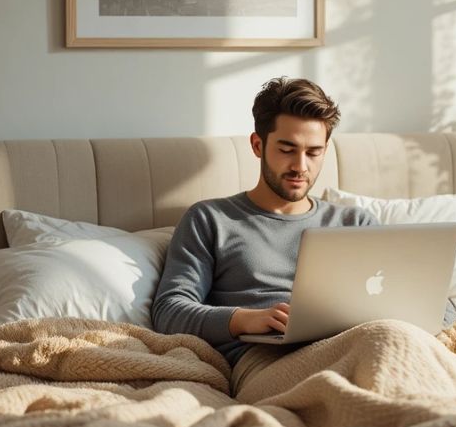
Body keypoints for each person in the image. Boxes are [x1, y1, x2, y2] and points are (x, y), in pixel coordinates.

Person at [151, 77, 376, 395]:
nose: (301, 166)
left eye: (314, 153)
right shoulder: (211, 219)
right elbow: (169, 311)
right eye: (287, 149)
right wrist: (244, 319)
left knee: (397, 347)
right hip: (264, 360)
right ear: (258, 145)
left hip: (357, 346)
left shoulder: (357, 223)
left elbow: (425, 303)